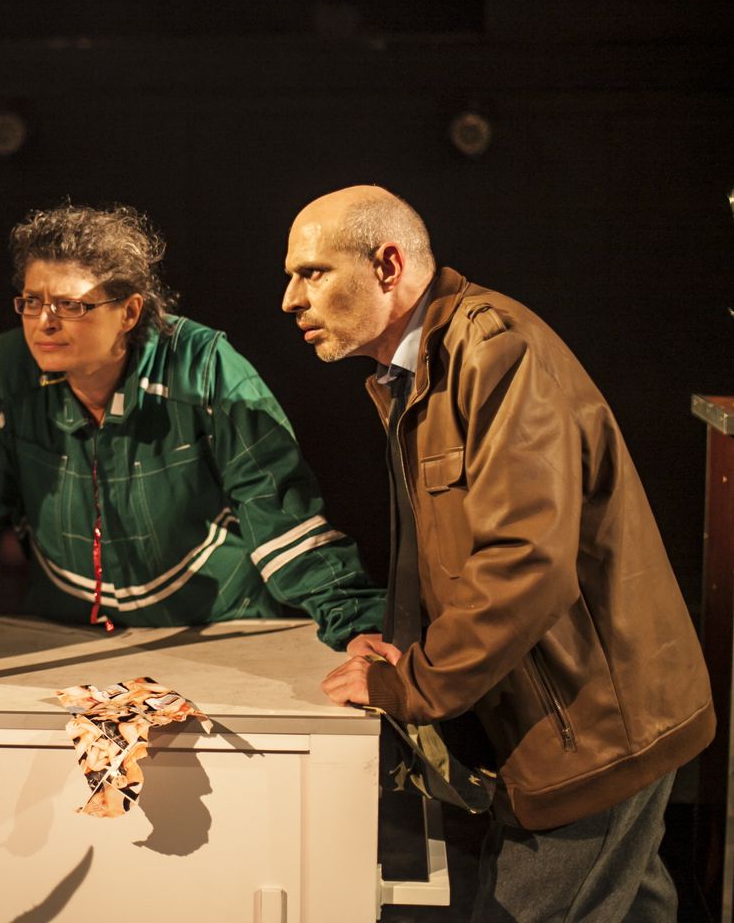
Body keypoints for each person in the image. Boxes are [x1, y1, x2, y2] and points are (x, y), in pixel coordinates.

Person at [282, 184, 714, 920]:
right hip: (577, 723)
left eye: (312, 273)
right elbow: (460, 552)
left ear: (388, 265)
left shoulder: (494, 351)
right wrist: (406, 644)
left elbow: (524, 562)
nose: (291, 299)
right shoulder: (420, 370)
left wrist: (410, 684)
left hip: (593, 737)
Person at [0, 202, 386, 653]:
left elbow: (284, 518)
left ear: (129, 312)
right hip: (67, 641)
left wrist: (357, 624)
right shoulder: (12, 370)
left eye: (71, 305)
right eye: (31, 302)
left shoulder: (204, 366)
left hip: (218, 631)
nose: (44, 322)